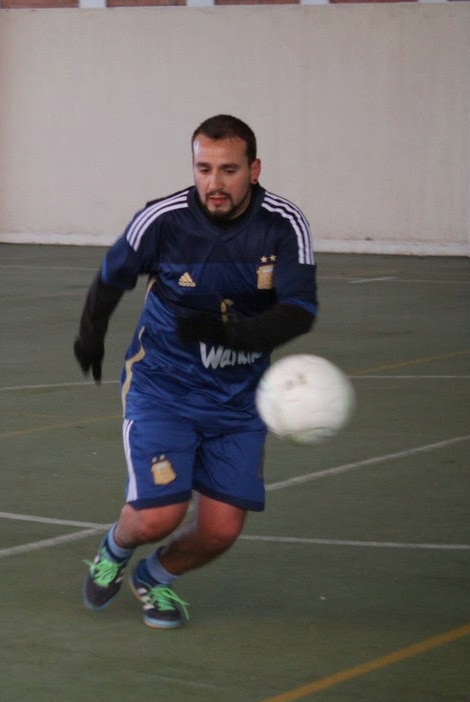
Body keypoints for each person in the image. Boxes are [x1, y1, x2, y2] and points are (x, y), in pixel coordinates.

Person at [73, 114, 317, 629]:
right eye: (204, 169)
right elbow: (112, 277)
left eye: (228, 170)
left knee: (221, 530)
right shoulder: (163, 220)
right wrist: (91, 332)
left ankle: (154, 578)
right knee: (158, 516)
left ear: (253, 170)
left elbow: (299, 310)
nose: (214, 183)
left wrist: (229, 333)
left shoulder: (283, 224)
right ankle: (115, 549)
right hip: (164, 388)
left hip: (239, 401)